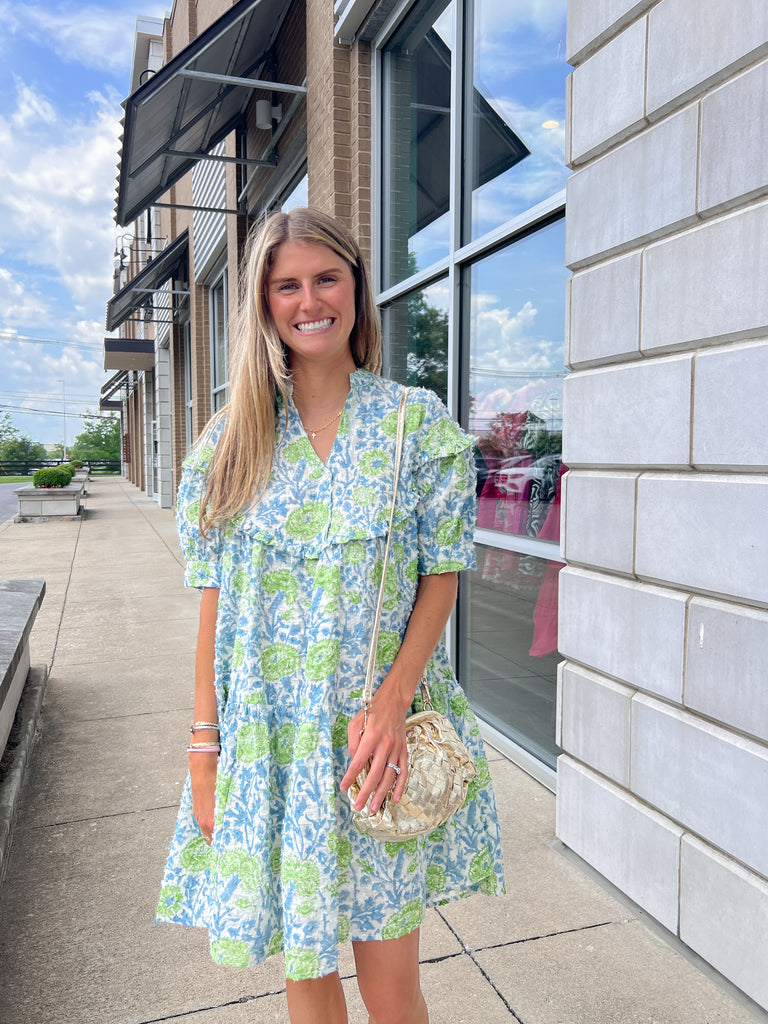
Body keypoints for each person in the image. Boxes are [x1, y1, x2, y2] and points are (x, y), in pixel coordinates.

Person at [156, 208, 505, 1024]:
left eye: (326, 278)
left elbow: (440, 578)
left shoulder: (413, 424)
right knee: (304, 968)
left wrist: (392, 702)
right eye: (287, 285)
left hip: (372, 738)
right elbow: (214, 606)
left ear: (355, 288)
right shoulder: (232, 443)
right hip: (270, 739)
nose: (309, 300)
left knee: (393, 986)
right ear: (264, 303)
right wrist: (204, 746)